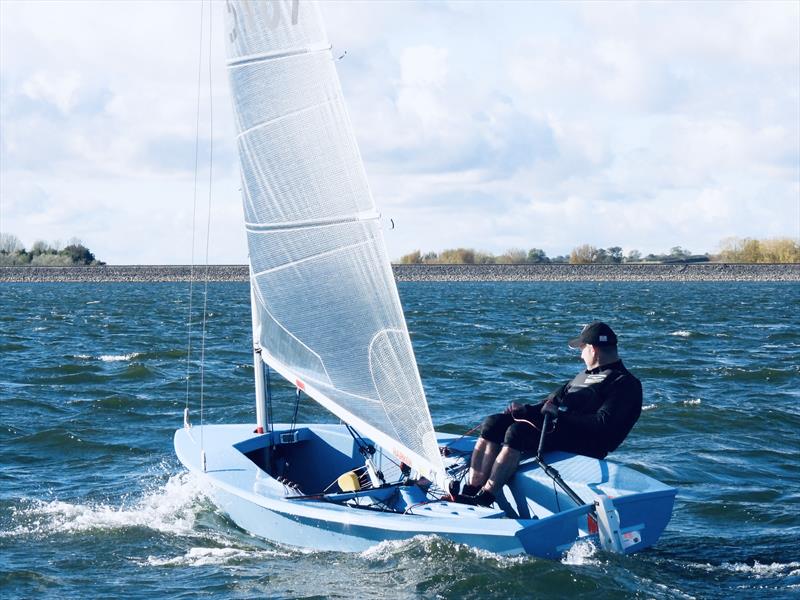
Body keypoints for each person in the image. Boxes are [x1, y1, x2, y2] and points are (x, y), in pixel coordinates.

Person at [453, 321, 642, 507]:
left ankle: (486, 496)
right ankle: (471, 489)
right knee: (493, 423)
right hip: (560, 431)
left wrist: (559, 415)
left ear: (593, 349)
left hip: (587, 443)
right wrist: (525, 409)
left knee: (518, 431)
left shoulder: (624, 383)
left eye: (581, 349)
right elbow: (549, 404)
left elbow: (603, 424)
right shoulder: (582, 377)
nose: (580, 355)